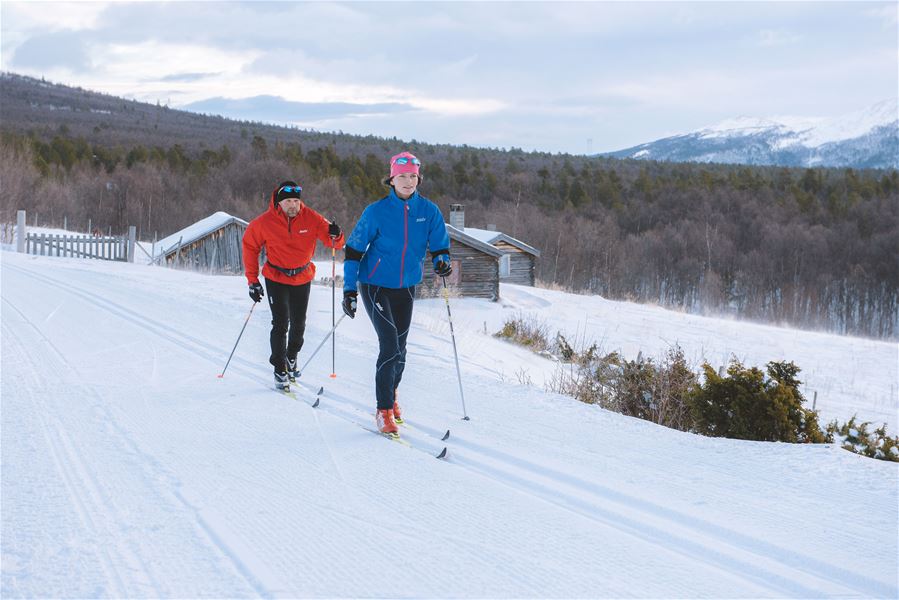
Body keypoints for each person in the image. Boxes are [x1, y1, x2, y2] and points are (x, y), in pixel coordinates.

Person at [342, 152, 452, 435]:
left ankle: (392, 395)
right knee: (389, 345)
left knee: (400, 350)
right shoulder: (376, 211)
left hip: (406, 286)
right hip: (375, 283)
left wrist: (442, 260)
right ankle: (383, 410)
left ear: (418, 179)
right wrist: (349, 290)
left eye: (413, 176)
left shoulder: (428, 211)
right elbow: (354, 251)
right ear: (391, 179)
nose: (408, 181)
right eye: (402, 176)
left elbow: (440, 245)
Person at [243, 180, 344, 391]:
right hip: (276, 277)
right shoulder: (264, 222)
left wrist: (337, 234)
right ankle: (279, 369)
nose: (293, 205)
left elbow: (334, 242)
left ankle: (291, 356)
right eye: (288, 201)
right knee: (281, 323)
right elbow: (250, 247)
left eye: (296, 201)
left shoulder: (311, 218)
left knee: (299, 324)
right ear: (279, 203)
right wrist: (253, 281)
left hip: (302, 277)